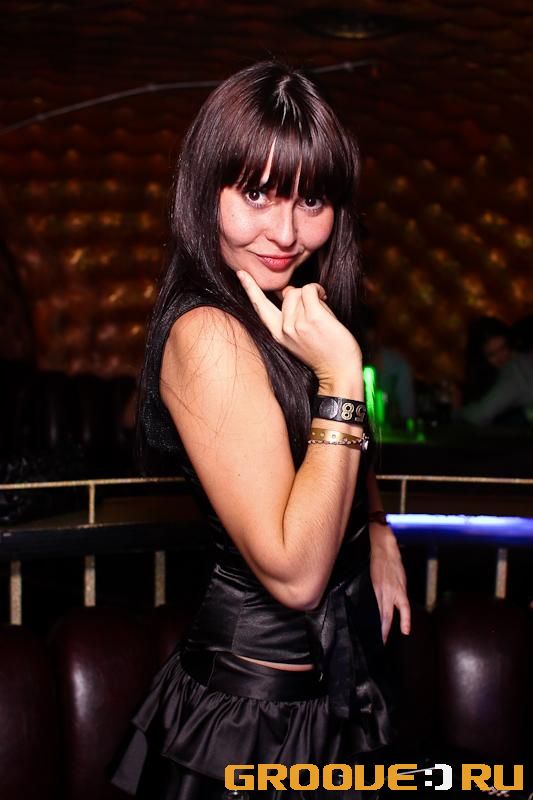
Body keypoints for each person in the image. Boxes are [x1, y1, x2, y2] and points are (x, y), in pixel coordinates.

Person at [111, 61, 410, 800]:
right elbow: (295, 575)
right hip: (256, 719)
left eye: (311, 199)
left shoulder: (294, 308)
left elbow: (339, 449)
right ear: (204, 190)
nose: (285, 232)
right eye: (256, 193)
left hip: (329, 693)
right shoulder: (209, 334)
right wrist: (342, 377)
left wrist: (375, 527)